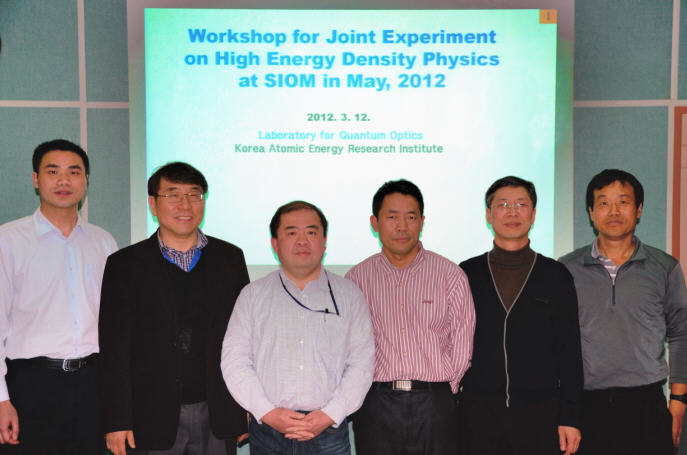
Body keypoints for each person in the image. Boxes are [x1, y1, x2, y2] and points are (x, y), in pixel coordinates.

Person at [98, 162, 249, 455]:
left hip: (217, 411)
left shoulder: (230, 258)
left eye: (194, 194)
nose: (185, 205)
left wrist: (246, 405)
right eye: (173, 195)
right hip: (150, 413)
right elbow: (114, 348)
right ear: (153, 204)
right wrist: (116, 420)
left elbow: (245, 339)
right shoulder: (124, 264)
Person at [221, 200, 375, 455]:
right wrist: (267, 412)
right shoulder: (252, 295)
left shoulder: (349, 295)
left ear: (324, 241)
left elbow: (362, 362)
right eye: (292, 233)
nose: (302, 241)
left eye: (311, 232)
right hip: (269, 431)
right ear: (275, 244)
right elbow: (234, 360)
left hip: (329, 432)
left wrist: (330, 414)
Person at [0, 139, 118, 453]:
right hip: (29, 386)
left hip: (92, 385)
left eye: (74, 172)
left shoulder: (104, 242)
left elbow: (115, 322)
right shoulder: (8, 240)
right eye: (53, 171)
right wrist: (1, 399)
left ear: (86, 181)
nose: (64, 180)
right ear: (36, 179)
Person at [560, 169, 687, 455]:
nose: (614, 211)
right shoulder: (566, 269)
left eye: (623, 202)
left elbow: (681, 334)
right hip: (585, 407)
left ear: (638, 210)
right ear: (591, 213)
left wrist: (679, 402)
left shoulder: (664, 267)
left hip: (647, 405)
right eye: (604, 203)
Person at [345, 179, 475, 455]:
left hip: (435, 404)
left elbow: (462, 342)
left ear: (422, 222)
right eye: (392, 217)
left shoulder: (450, 275)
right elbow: (348, 347)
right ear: (375, 222)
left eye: (411, 217)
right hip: (376, 404)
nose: (402, 226)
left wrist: (443, 390)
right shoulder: (356, 279)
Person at [458, 176, 583, 455]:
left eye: (521, 205)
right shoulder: (466, 274)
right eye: (503, 205)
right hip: (478, 415)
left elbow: (570, 351)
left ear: (533, 214)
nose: (512, 212)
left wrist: (571, 416)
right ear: (489, 215)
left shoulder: (555, 275)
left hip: (541, 414)